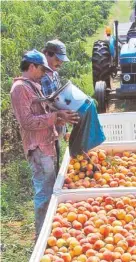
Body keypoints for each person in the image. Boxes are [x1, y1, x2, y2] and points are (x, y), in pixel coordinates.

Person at [10, 49, 79, 239]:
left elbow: (42, 114)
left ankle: (50, 229)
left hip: (46, 144)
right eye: (42, 69)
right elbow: (27, 121)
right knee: (44, 191)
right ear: (32, 66)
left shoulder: (33, 85)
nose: (44, 74)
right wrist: (55, 117)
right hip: (38, 148)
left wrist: (59, 119)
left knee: (51, 187)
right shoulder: (20, 89)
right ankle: (41, 235)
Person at [41, 39, 70, 174]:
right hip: (45, 128)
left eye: (61, 60)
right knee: (48, 167)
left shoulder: (55, 74)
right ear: (47, 54)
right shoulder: (40, 77)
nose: (60, 63)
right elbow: (43, 105)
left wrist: (65, 128)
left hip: (57, 125)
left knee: (56, 158)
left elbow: (59, 101)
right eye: (57, 59)